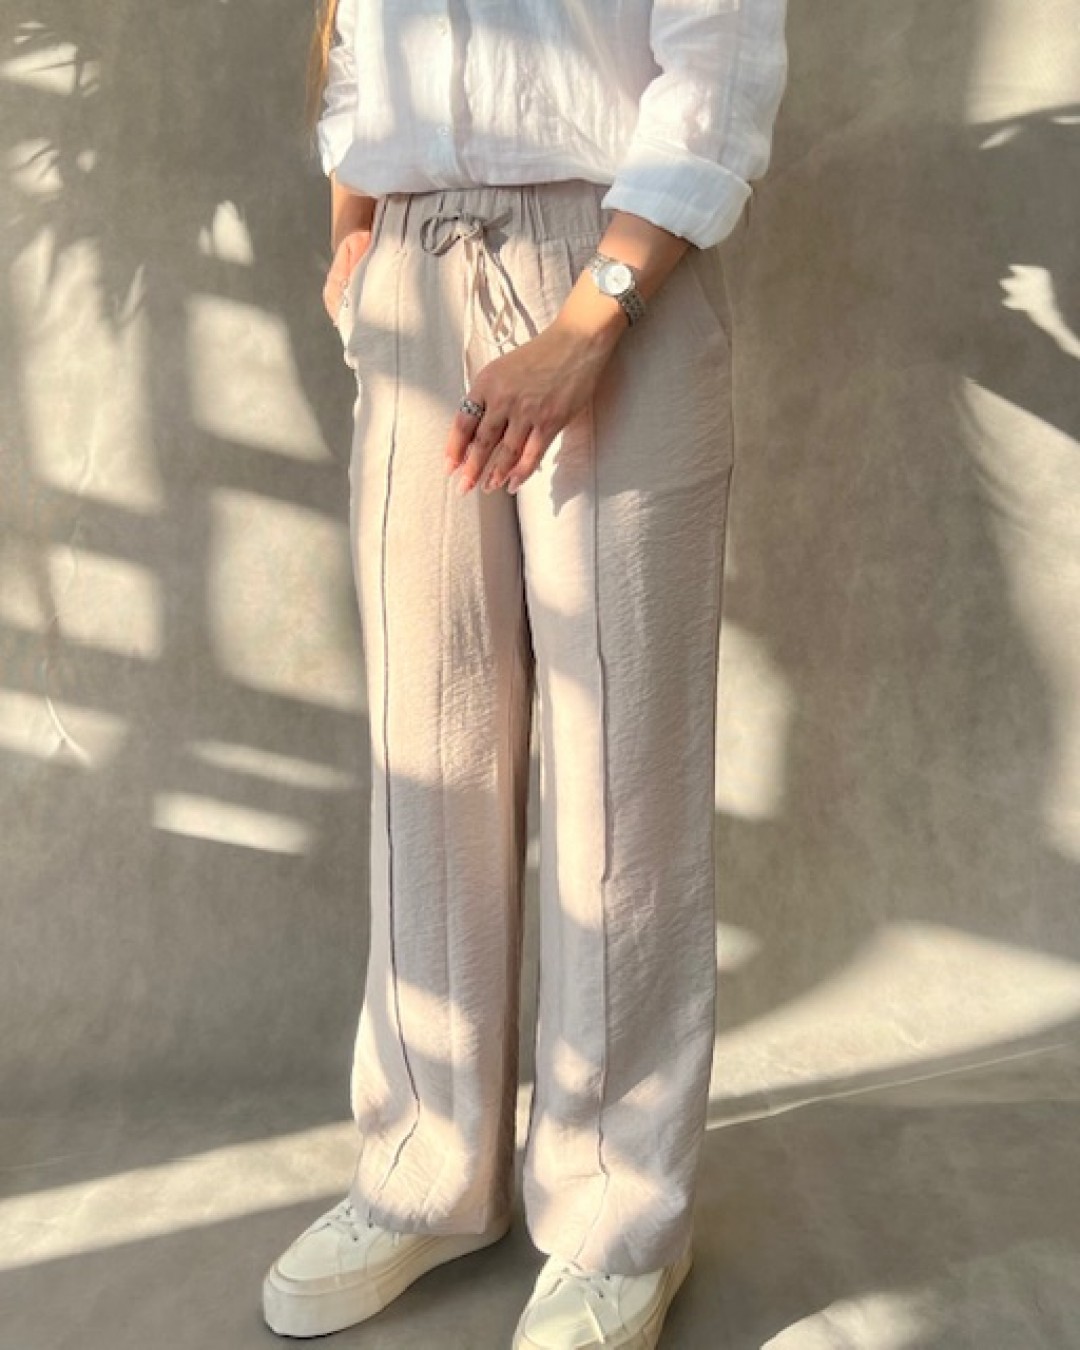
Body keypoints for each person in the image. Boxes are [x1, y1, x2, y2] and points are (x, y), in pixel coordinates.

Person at [262, 2, 789, 1346]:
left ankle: (617, 1215)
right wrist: (354, 244)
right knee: (427, 751)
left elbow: (716, 67)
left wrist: (588, 318)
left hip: (613, 273)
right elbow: (353, 40)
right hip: (412, 270)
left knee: (624, 776)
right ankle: (421, 1171)